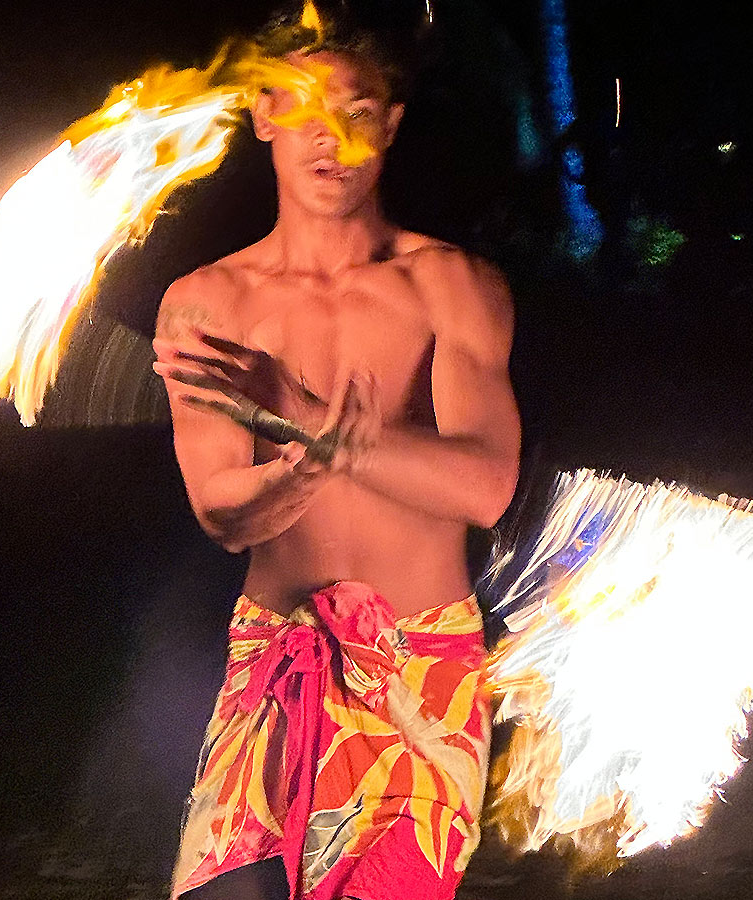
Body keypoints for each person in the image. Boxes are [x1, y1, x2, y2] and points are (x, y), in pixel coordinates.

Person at [151, 13, 521, 900]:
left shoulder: (451, 284)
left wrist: (321, 426)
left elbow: (485, 485)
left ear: (391, 124)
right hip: (275, 661)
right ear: (262, 112)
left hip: (420, 672)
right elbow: (220, 512)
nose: (334, 137)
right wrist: (297, 473)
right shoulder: (207, 303)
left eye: (357, 110)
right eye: (308, 106)